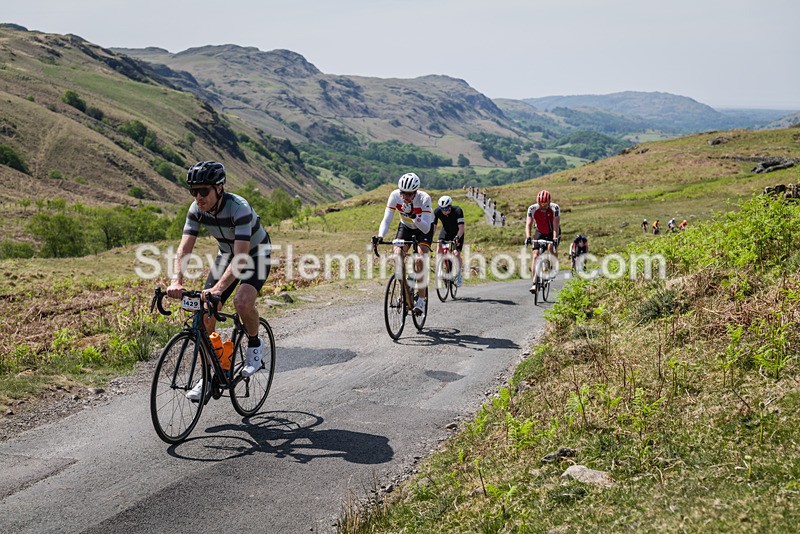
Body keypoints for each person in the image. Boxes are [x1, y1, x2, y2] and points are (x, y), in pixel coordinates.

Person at [167, 161, 271, 400]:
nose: (198, 196)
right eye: (194, 191)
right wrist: (176, 281)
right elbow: (185, 248)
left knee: (243, 302)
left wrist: (218, 288)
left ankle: (255, 345)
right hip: (227, 255)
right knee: (205, 313)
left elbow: (243, 257)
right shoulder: (196, 210)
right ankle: (210, 372)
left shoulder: (239, 209)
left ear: (219, 188)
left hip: (256, 255)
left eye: (204, 190)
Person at [372, 172, 434, 313]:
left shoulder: (424, 199)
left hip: (423, 229)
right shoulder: (395, 196)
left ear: (415, 192)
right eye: (402, 193)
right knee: (397, 255)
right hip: (405, 227)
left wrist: (413, 215)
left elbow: (425, 227)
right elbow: (387, 219)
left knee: (419, 260)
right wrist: (380, 236)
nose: (404, 197)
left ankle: (422, 299)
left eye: (408, 194)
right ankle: (405, 290)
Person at [524, 190, 560, 294]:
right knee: (535, 255)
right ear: (537, 202)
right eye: (541, 204)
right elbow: (529, 224)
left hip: (552, 231)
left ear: (549, 202)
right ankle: (535, 283)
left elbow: (556, 225)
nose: (543, 206)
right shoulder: (532, 208)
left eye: (546, 204)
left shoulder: (555, 208)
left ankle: (553, 266)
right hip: (539, 231)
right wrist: (528, 237)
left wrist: (554, 239)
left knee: (551, 248)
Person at [432, 195, 465, 287]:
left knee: (456, 253)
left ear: (450, 206)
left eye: (447, 209)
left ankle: (459, 274)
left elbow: (461, 228)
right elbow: (433, 228)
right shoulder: (437, 212)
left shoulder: (458, 211)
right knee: (439, 245)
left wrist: (457, 238)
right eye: (442, 209)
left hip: (457, 232)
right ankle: (439, 269)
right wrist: (429, 238)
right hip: (446, 231)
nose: (444, 211)